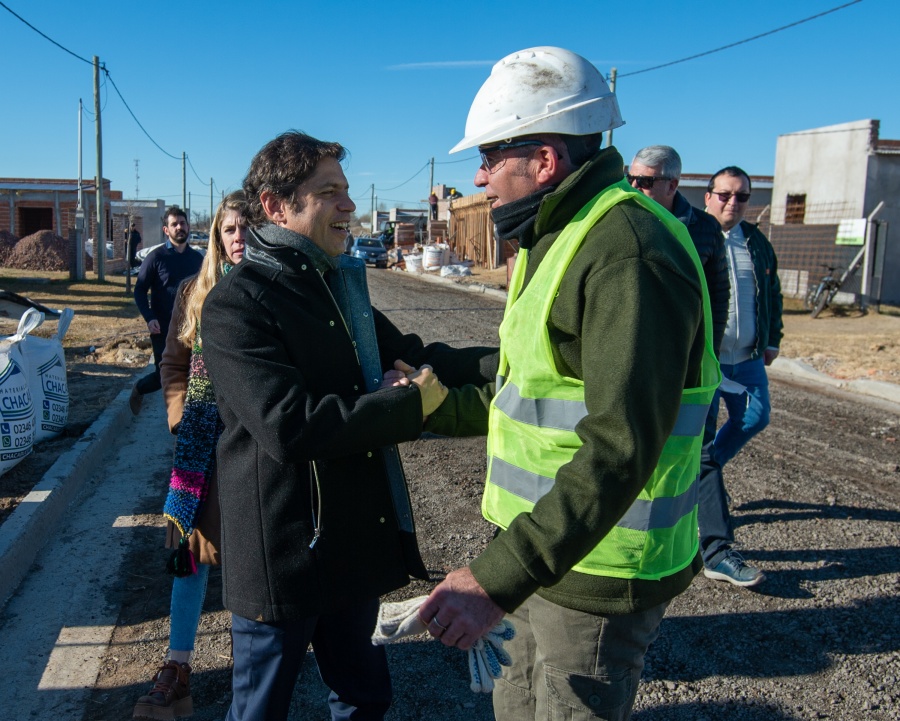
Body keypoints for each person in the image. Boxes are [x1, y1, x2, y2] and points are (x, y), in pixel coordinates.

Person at [415, 47, 720, 721]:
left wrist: (497, 577)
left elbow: (620, 444)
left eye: (492, 157)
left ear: (546, 161)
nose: (480, 176)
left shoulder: (628, 250)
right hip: (547, 553)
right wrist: (422, 373)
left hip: (598, 569)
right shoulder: (557, 235)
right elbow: (526, 374)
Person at [201, 131, 492, 721]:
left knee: (364, 697)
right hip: (283, 550)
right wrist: (407, 407)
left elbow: (414, 352)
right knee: (259, 708)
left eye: (347, 191)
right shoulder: (238, 303)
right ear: (275, 205)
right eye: (328, 192)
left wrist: (513, 357)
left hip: (349, 538)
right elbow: (288, 427)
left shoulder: (338, 286)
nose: (349, 207)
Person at [132, 192, 249, 720]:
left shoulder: (274, 289)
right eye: (229, 229)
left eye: (247, 226)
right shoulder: (191, 291)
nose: (239, 237)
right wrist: (181, 416)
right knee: (190, 551)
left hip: (255, 447)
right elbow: (173, 364)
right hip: (201, 445)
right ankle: (178, 667)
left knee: (250, 554)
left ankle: (252, 673)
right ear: (216, 238)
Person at [698, 166, 783, 587]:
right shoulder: (693, 237)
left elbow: (773, 295)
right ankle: (714, 542)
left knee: (755, 417)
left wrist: (773, 339)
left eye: (742, 196)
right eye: (726, 194)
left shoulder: (757, 244)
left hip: (746, 356)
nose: (734, 203)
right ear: (708, 196)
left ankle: (701, 478)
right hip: (707, 362)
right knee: (702, 445)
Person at [629, 145, 729, 354]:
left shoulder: (705, 228)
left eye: (646, 181)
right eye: (630, 178)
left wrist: (711, 349)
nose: (634, 186)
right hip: (631, 345)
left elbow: (717, 296)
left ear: (672, 185)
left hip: (682, 350)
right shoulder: (621, 221)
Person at [131, 207, 204, 415]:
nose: (179, 227)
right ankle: (139, 388)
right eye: (174, 224)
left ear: (188, 226)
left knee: (192, 374)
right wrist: (149, 317)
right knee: (163, 375)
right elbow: (139, 290)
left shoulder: (197, 260)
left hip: (191, 328)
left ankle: (185, 420)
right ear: (166, 229)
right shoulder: (156, 258)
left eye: (182, 223)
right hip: (162, 327)